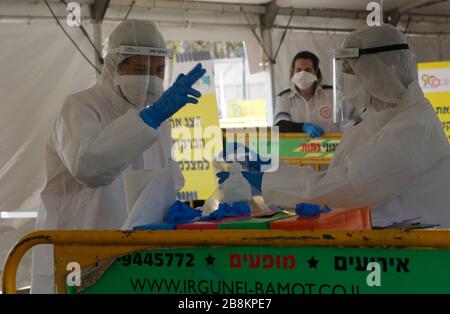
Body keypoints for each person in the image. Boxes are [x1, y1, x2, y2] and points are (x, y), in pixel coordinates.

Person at [31, 19, 206, 293]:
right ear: (114, 66)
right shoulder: (81, 108)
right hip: (79, 252)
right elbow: (88, 167)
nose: (151, 78)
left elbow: (164, 184)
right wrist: (148, 119)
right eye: (140, 69)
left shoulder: (160, 121)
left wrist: (185, 214)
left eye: (159, 70)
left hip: (137, 260)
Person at [219, 25, 450, 228]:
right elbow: (334, 177)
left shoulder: (413, 128)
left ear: (380, 71)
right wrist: (271, 168)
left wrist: (266, 179)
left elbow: (346, 189)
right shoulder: (377, 120)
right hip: (384, 245)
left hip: (417, 256)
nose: (343, 79)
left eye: (350, 70)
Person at [274, 51, 342, 137]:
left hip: (331, 147)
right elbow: (280, 125)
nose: (302, 74)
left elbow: (353, 117)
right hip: (297, 148)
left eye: (308, 70)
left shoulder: (333, 94)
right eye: (298, 70)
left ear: (316, 72)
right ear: (292, 72)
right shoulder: (284, 97)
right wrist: (303, 127)